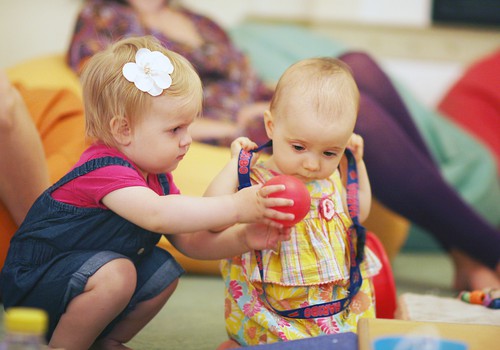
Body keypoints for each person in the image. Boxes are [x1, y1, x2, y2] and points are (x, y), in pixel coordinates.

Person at [65, 0, 500, 290]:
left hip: (266, 109)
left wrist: (289, 95)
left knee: (355, 71)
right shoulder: (105, 17)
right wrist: (228, 125)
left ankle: (462, 248)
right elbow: (112, 102)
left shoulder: (196, 19)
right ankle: (484, 249)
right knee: (359, 115)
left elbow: (246, 79)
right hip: (231, 127)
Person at [0, 36, 295, 349]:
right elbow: (157, 215)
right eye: (174, 130)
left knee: (163, 268)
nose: (187, 140)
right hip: (35, 283)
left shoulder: (158, 178)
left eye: (188, 127)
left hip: (85, 281)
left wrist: (243, 238)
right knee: (119, 274)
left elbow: (192, 239)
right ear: (123, 130)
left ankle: (105, 340)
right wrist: (237, 207)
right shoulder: (103, 169)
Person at [208, 57, 381, 347]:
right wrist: (232, 167)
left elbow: (358, 212)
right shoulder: (255, 176)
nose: (312, 164)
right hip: (272, 305)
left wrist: (357, 164)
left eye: (329, 152)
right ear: (271, 126)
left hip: (332, 304)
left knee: (354, 340)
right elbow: (211, 215)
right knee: (260, 340)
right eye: (299, 147)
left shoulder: (332, 177)